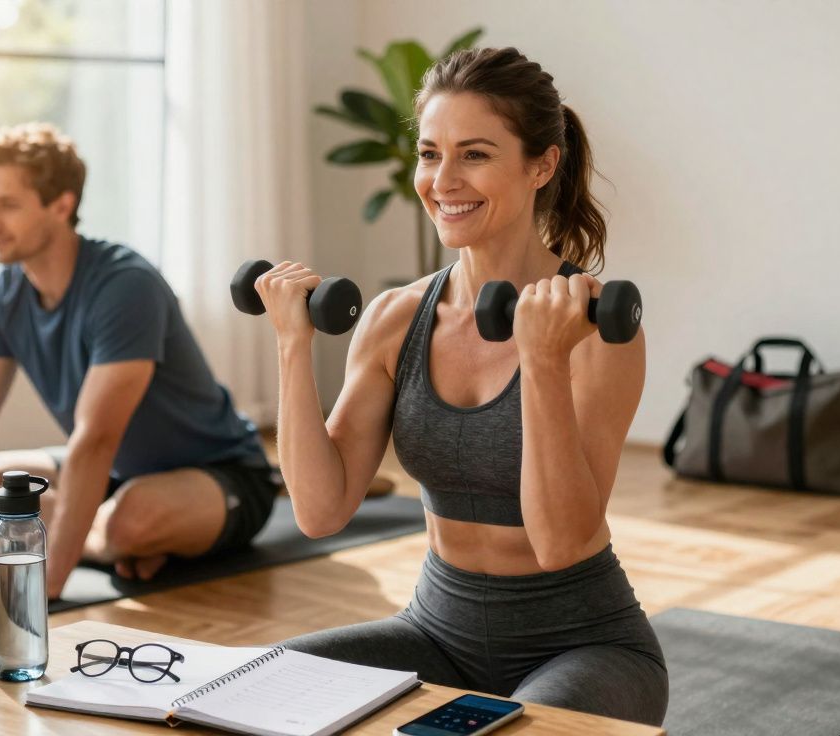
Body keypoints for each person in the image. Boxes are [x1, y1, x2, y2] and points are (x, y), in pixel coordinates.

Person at [254, 48, 667, 725]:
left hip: (586, 648)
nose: (442, 181)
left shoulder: (595, 330)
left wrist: (542, 362)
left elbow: (563, 542)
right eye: (429, 154)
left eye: (474, 155)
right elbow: (320, 513)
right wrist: (292, 345)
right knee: (259, 689)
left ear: (542, 165)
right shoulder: (396, 319)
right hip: (435, 635)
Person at [0, 123, 277, 611]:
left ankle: (115, 536)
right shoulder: (6, 291)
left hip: (219, 472)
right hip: (115, 471)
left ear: (62, 206)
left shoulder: (125, 286)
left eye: (8, 205)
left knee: (131, 520)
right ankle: (112, 541)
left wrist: (49, 576)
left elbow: (96, 437)